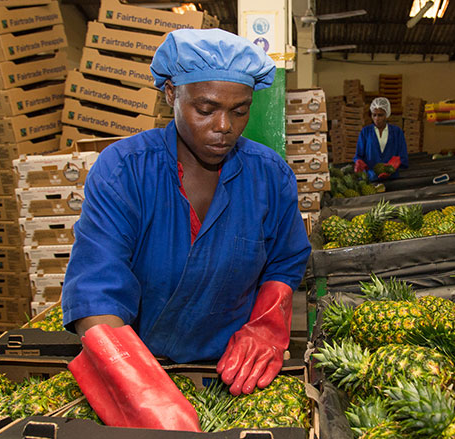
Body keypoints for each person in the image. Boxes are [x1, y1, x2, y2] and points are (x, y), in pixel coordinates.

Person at [61, 28, 312, 398]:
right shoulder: (126, 170)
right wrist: (133, 380)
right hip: (137, 364)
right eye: (205, 110)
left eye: (240, 111)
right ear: (171, 93)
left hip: (233, 372)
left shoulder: (269, 176)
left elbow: (285, 261)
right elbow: (97, 285)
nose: (224, 127)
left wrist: (265, 325)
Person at [353, 97, 409, 180]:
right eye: (374, 115)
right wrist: (358, 162)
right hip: (370, 178)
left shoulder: (397, 132)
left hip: (392, 178)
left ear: (387, 115)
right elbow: (358, 155)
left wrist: (394, 165)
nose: (377, 118)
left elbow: (403, 156)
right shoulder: (365, 132)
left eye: (380, 115)